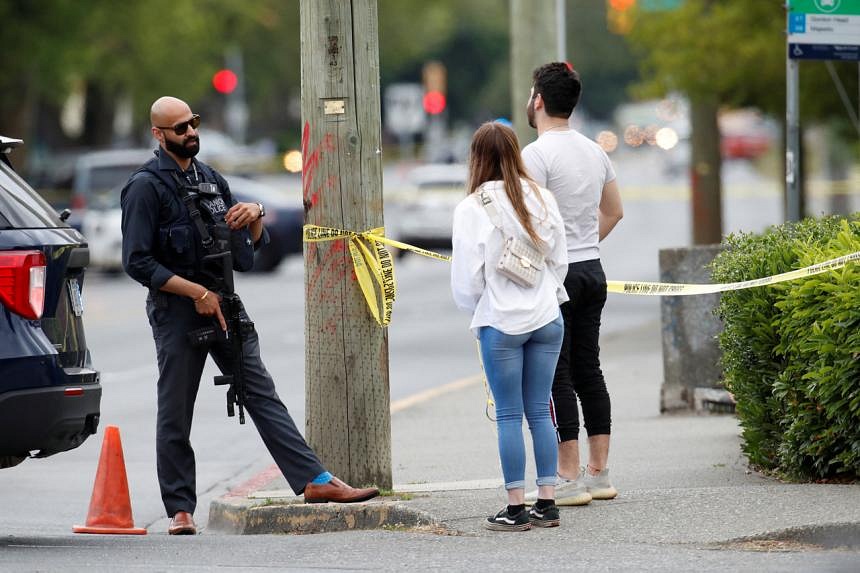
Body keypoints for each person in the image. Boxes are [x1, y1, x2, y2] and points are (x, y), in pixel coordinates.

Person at [121, 96, 378, 535]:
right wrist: (195, 291)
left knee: (261, 393)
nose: (190, 133)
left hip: (224, 308)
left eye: (193, 123)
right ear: (159, 135)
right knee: (175, 410)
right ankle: (180, 510)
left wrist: (256, 216)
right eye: (180, 128)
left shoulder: (210, 180)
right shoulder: (146, 187)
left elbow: (245, 256)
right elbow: (137, 262)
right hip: (178, 312)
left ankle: (315, 481)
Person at [451, 122, 569, 531]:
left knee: (508, 415)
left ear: (476, 157)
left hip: (501, 321)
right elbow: (561, 261)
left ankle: (516, 507)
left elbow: (467, 281)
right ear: (517, 153)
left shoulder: (471, 208)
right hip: (547, 318)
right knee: (540, 410)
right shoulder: (544, 198)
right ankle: (548, 503)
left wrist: (478, 308)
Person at [522, 63, 624, 507]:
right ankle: (600, 474)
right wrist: (582, 243)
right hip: (592, 270)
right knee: (589, 368)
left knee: (556, 373)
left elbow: (532, 221)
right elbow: (614, 210)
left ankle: (567, 476)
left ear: (539, 100)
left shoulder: (536, 155)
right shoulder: (594, 150)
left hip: (557, 276)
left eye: (531, 94)